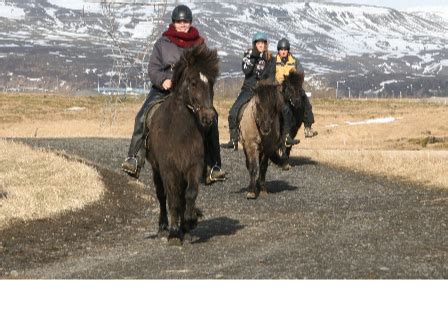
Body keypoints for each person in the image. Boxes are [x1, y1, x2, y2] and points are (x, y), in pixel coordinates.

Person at [121, 5, 226, 184]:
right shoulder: (162, 44)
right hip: (164, 90)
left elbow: (207, 68)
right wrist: (163, 80)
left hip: (192, 92)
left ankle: (213, 165)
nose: (183, 25)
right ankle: (134, 158)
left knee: (212, 118)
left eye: (186, 21)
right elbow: (153, 68)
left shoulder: (199, 44)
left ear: (190, 22)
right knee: (142, 116)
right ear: (174, 23)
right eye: (179, 22)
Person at [221, 32, 276, 150]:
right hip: (248, 89)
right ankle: (233, 139)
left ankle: (278, 140)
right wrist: (254, 57)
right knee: (233, 111)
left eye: (263, 43)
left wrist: (264, 86)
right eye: (258, 43)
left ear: (266, 44)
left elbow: (271, 76)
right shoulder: (248, 55)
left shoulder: (270, 58)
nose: (261, 45)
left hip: (263, 92)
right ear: (255, 44)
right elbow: (246, 71)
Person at [275, 38, 318, 140]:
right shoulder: (274, 61)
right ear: (278, 51)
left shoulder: (294, 61)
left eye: (285, 49)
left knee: (306, 102)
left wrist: (294, 80)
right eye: (281, 49)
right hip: (279, 88)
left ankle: (308, 127)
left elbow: (301, 74)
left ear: (288, 50)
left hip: (293, 87)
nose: (283, 51)